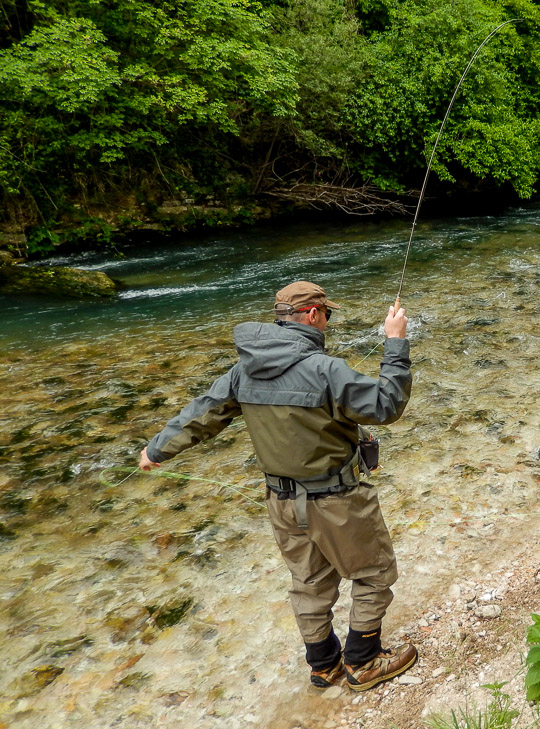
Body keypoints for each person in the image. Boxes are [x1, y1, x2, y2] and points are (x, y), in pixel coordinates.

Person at [138, 280, 417, 691]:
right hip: (337, 499)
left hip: (281, 502)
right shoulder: (325, 369)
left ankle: (324, 667)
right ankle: (363, 661)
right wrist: (395, 343)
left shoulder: (243, 369)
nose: (327, 322)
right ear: (312, 315)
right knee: (374, 573)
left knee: (309, 583)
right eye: (327, 314)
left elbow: (204, 413)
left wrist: (156, 450)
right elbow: (386, 405)